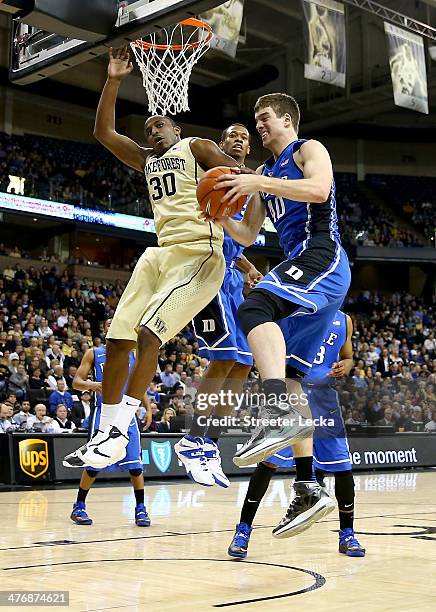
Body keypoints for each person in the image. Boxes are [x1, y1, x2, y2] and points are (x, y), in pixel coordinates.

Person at [63, 46, 242, 475]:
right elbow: (104, 133)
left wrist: (233, 183)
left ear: (176, 127)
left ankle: (121, 428)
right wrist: (113, 79)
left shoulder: (195, 147)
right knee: (117, 338)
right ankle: (107, 436)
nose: (152, 131)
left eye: (159, 124)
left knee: (149, 333)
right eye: (147, 128)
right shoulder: (146, 161)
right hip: (159, 253)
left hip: (199, 252)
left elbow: (239, 175)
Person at [209, 93, 351, 533]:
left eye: (265, 118)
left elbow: (319, 190)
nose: (259, 126)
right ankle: (307, 488)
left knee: (255, 306)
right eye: (257, 120)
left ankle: (274, 414)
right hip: (306, 270)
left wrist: (257, 183)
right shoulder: (265, 175)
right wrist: (214, 214)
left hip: (322, 255)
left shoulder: (308, 149)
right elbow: (249, 234)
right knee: (291, 375)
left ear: (287, 120)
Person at [228, 312, 365, 554]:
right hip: (292, 392)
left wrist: (347, 365)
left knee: (342, 467)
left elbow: (348, 356)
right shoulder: (296, 312)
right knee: (267, 463)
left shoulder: (345, 320)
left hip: (325, 398)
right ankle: (243, 530)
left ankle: (347, 535)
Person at [176, 123, 262, 487]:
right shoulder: (211, 174)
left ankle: (210, 445)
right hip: (207, 273)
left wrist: (249, 266)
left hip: (230, 278)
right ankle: (192, 438)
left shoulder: (250, 183)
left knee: (243, 365)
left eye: (245, 136)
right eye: (232, 135)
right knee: (224, 357)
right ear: (222, 144)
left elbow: (236, 240)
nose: (240, 139)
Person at [68, 320, 152, 527]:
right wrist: (93, 385)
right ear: (106, 330)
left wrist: (148, 408)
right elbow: (76, 382)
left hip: (127, 415)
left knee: (135, 465)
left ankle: (140, 508)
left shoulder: (133, 354)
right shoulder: (94, 353)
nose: (113, 326)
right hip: (103, 413)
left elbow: (139, 384)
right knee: (94, 463)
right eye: (108, 324)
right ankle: (79, 506)